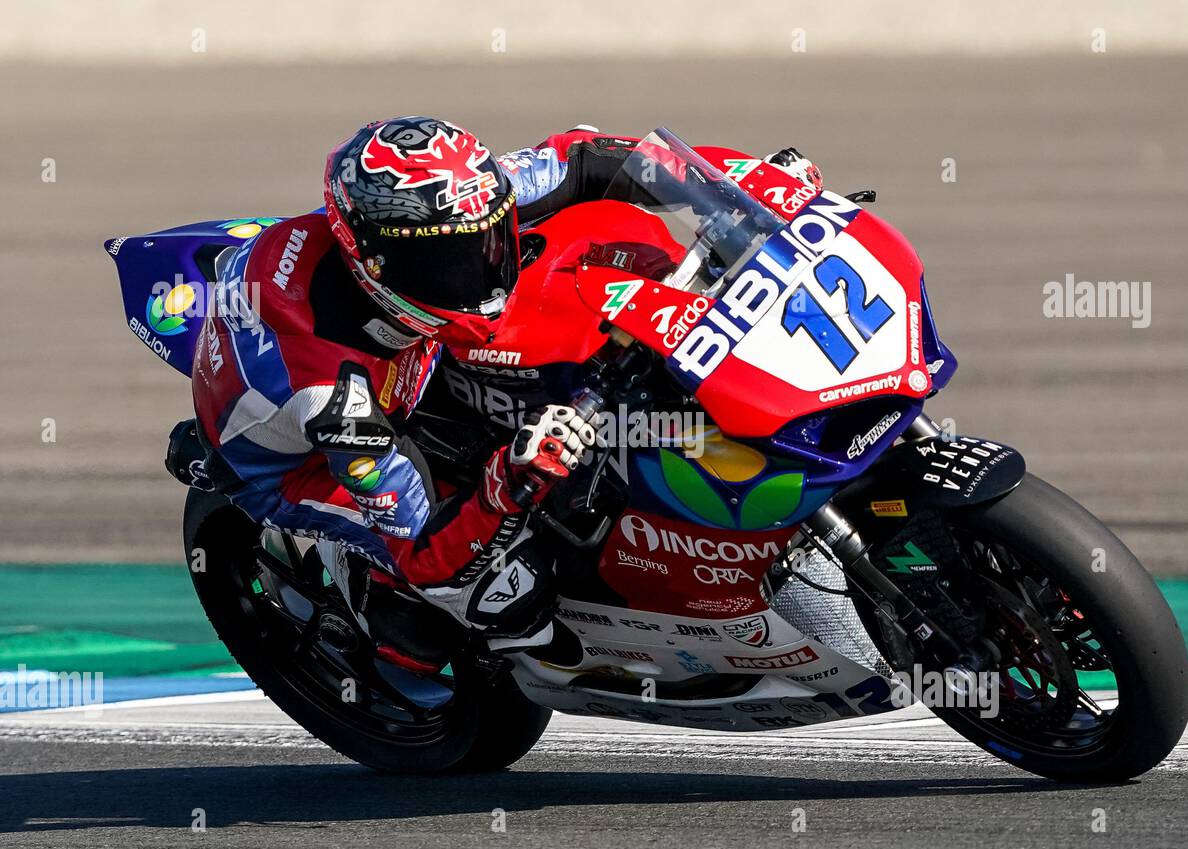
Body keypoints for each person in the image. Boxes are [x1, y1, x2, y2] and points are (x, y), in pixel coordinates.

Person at [183, 116, 818, 665]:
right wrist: (509, 477)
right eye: (446, 262)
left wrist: (733, 190)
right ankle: (407, 619)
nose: (478, 272)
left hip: (404, 351)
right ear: (370, 261)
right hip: (304, 464)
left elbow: (588, 158)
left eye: (484, 241)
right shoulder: (329, 396)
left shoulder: (459, 194)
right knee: (495, 592)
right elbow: (424, 541)